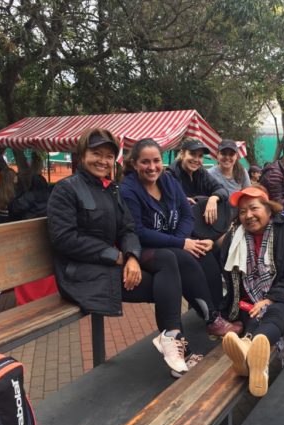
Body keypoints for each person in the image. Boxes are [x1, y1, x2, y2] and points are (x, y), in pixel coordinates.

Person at [47, 128, 192, 377]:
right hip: (79, 274)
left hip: (106, 268)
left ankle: (172, 340)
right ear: (82, 155)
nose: (103, 161)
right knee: (166, 284)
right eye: (96, 154)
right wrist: (115, 256)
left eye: (108, 156)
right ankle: (177, 347)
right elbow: (64, 239)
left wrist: (132, 256)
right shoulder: (66, 190)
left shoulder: (111, 189)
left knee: (167, 261)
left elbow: (128, 229)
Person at [120, 138, 241, 338]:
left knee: (204, 252)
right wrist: (180, 243)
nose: (152, 167)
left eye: (156, 161)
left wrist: (180, 240)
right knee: (183, 257)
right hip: (146, 248)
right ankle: (210, 318)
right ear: (134, 163)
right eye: (145, 162)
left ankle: (219, 313)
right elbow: (138, 231)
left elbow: (187, 215)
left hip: (173, 241)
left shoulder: (167, 181)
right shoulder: (129, 189)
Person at [220, 186, 284, 397]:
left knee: (275, 309)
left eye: (254, 208)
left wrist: (269, 299)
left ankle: (248, 346)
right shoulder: (233, 238)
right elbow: (227, 274)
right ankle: (255, 358)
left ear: (269, 209)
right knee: (254, 311)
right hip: (248, 303)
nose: (248, 216)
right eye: (242, 212)